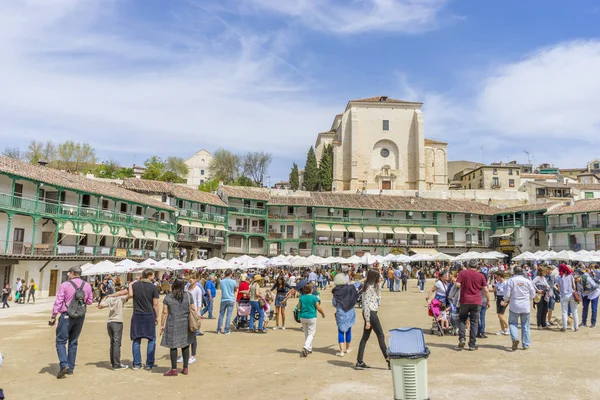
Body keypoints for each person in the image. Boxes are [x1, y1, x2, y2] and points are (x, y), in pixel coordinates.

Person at [49, 266, 93, 378]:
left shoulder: (65, 285)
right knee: (73, 342)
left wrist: (53, 316)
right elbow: (89, 302)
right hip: (80, 316)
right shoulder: (87, 285)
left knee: (61, 341)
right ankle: (71, 368)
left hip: (66, 315)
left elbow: (58, 301)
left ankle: (64, 364)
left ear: (72, 273)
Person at [160, 278, 196, 376]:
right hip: (186, 324)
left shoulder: (168, 297)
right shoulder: (188, 295)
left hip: (173, 323)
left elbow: (164, 312)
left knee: (173, 346)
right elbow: (193, 309)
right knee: (185, 345)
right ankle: (185, 368)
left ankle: (174, 369)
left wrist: (162, 325)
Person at [356, 269, 389, 370]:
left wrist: (378, 285)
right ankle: (388, 359)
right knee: (380, 335)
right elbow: (366, 304)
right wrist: (368, 320)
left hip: (371, 312)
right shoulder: (369, 288)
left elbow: (378, 296)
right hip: (370, 313)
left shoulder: (372, 286)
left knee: (365, 338)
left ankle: (359, 361)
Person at [454, 259, 490, 351]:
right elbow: (486, 290)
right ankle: (472, 344)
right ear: (477, 266)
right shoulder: (481, 276)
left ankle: (462, 338)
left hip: (465, 300)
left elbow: (457, 284)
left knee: (462, 319)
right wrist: (488, 301)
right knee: (474, 322)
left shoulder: (463, 273)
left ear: (468, 265)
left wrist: (464, 285)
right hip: (477, 301)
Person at [129, 268, 160, 370]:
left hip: (137, 315)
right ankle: (149, 364)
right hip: (149, 315)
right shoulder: (153, 287)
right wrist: (157, 316)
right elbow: (155, 303)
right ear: (150, 276)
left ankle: (137, 364)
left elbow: (130, 295)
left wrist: (130, 284)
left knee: (136, 340)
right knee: (151, 339)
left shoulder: (135, 285)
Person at [502, 266, 536, 351]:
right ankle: (526, 344)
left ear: (514, 272)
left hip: (514, 305)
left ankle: (514, 338)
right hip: (525, 306)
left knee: (513, 323)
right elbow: (533, 295)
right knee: (525, 326)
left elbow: (506, 295)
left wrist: (506, 299)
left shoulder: (510, 281)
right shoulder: (528, 281)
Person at [98, 289, 129, 370]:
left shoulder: (109, 299)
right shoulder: (121, 298)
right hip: (117, 322)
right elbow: (130, 294)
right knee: (117, 344)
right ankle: (116, 364)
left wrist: (106, 297)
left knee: (112, 343)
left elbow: (100, 306)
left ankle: (113, 362)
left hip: (110, 322)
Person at [332, 273, 358, 357]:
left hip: (340, 312)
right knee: (349, 330)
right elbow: (356, 285)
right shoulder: (350, 288)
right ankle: (347, 349)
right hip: (350, 311)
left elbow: (334, 303)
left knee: (340, 331)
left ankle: (341, 351)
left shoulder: (336, 291)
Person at [298, 283, 325, 357]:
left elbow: (299, 307)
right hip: (311, 317)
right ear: (311, 290)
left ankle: (309, 349)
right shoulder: (314, 298)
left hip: (303, 316)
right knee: (311, 333)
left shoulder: (301, 297)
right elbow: (318, 308)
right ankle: (306, 347)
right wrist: (322, 314)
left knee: (306, 333)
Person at [556, 264, 579, 332]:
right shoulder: (571, 276)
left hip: (564, 295)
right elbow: (574, 286)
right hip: (571, 294)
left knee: (564, 311)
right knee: (574, 311)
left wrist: (561, 291)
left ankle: (564, 327)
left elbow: (558, 288)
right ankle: (576, 327)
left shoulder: (559, 277)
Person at [217, 269, 237, 335]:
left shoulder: (222, 281)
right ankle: (226, 330)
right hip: (230, 299)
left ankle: (219, 330)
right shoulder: (233, 281)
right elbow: (235, 289)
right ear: (231, 274)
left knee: (221, 315)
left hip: (223, 299)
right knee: (229, 315)